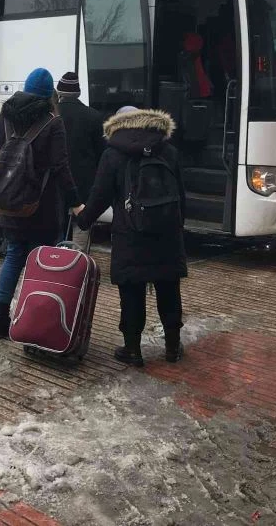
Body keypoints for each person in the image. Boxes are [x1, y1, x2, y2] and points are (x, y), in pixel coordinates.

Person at [75, 106, 187, 366]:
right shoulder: (168, 151)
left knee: (132, 292)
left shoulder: (113, 154)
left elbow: (100, 195)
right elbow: (181, 195)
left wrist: (83, 219)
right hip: (167, 234)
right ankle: (172, 348)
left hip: (130, 234)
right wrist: (177, 227)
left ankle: (132, 350)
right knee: (169, 289)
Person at [0, 67, 80, 338]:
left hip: (10, 202)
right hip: (43, 205)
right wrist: (75, 201)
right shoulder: (52, 122)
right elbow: (61, 167)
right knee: (42, 261)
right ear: (48, 95)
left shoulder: (5, 117)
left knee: (14, 254)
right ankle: (37, 319)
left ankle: (0, 319)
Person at [55, 71, 105, 249]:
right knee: (81, 226)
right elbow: (101, 154)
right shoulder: (94, 117)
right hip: (84, 184)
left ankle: (54, 263)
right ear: (78, 93)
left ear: (59, 93)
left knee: (56, 226)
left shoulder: (51, 115)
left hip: (56, 183)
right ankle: (77, 263)